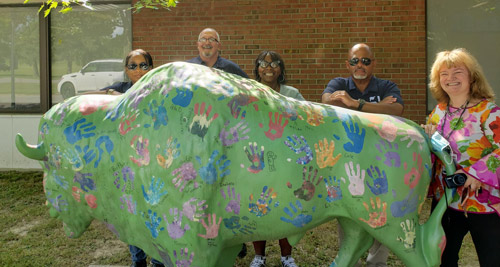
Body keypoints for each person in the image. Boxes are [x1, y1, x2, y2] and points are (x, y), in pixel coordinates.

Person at [321, 43, 404, 267]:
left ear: (373, 64)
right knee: (350, 210)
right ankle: (351, 260)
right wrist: (377, 108)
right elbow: (327, 103)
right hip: (349, 160)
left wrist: (354, 104)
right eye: (355, 60)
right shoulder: (338, 83)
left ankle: (377, 263)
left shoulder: (387, 86)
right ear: (348, 64)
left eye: (365, 61)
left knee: (380, 209)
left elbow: (396, 110)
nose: (360, 65)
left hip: (381, 159)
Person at [421, 48, 500, 267]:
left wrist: (475, 174)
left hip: (483, 201)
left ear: (472, 76)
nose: (450, 78)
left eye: (457, 72)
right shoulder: (439, 111)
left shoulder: (488, 111)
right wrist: (425, 137)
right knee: (444, 260)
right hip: (447, 200)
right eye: (444, 73)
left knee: (492, 260)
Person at [93, 49, 163, 267]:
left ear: (151, 68)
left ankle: (159, 260)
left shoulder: (159, 90)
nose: (138, 70)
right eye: (133, 65)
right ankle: (138, 259)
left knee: (155, 213)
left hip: (154, 164)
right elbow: (89, 99)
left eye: (144, 65)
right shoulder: (119, 88)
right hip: (127, 164)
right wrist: (111, 96)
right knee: (133, 215)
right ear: (126, 69)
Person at [187, 27, 249, 260]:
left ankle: (235, 241)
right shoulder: (188, 69)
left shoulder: (232, 69)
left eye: (212, 40)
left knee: (228, 189)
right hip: (196, 141)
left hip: (227, 140)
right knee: (200, 188)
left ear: (219, 45)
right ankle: (199, 237)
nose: (207, 43)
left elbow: (250, 95)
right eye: (203, 39)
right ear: (197, 44)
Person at [249, 51, 303, 267]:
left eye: (274, 63)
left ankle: (286, 256)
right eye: (263, 63)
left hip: (285, 157)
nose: (268, 67)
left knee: (285, 203)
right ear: (257, 68)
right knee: (257, 204)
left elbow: (302, 120)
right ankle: (259, 256)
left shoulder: (292, 93)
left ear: (281, 68)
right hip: (257, 158)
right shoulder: (249, 91)